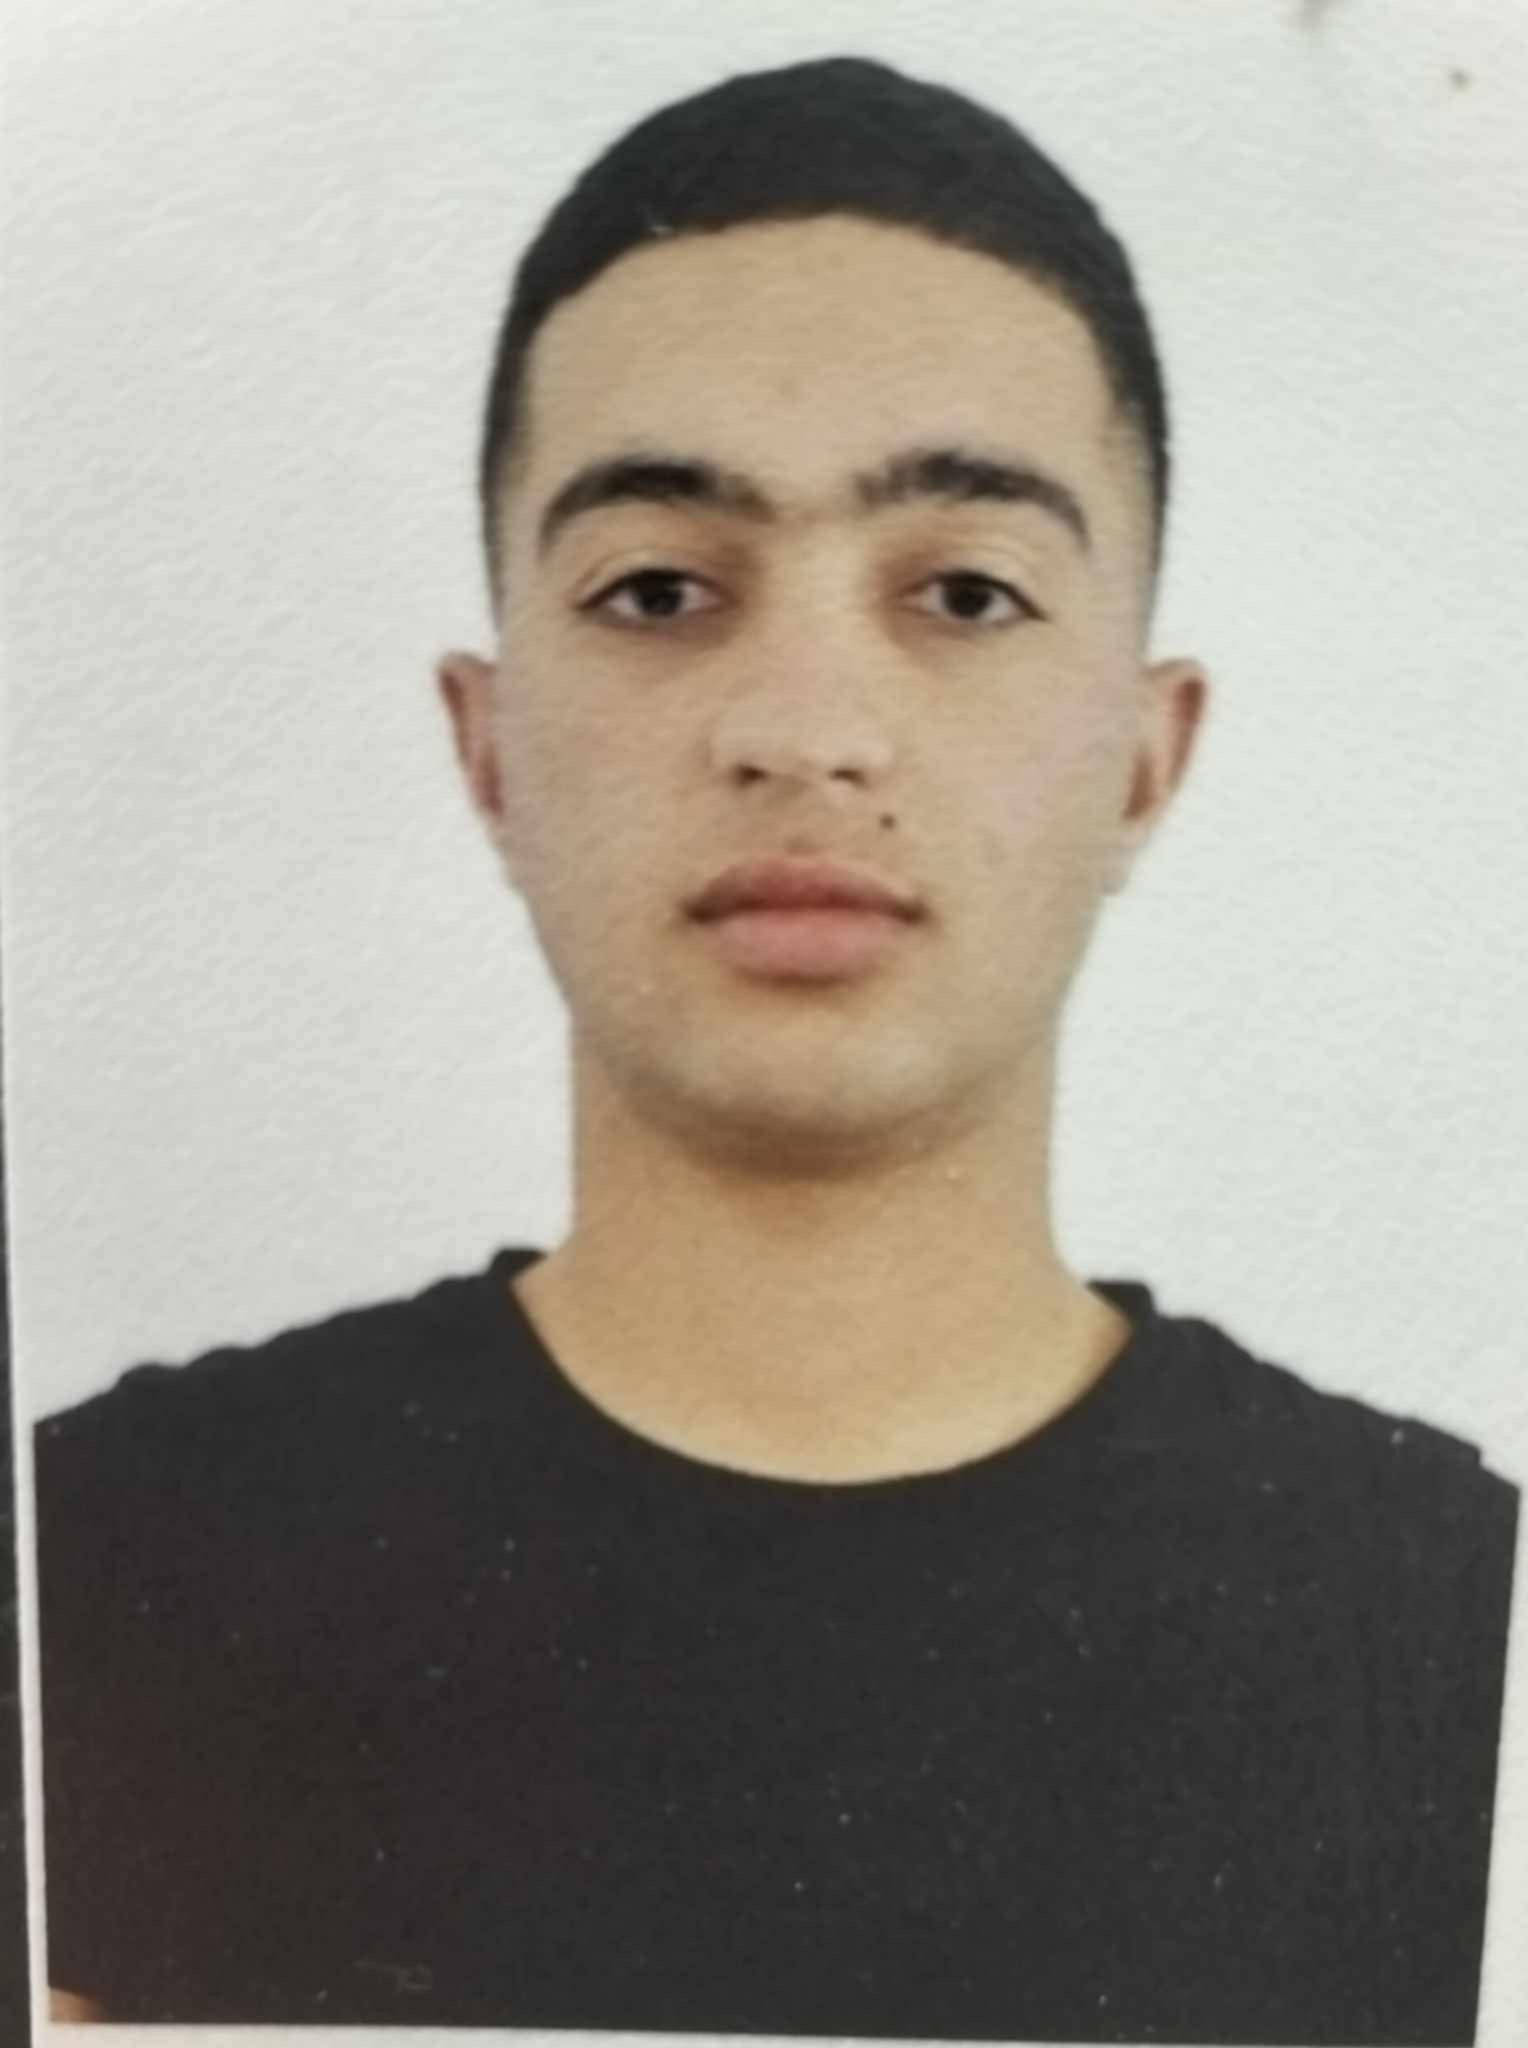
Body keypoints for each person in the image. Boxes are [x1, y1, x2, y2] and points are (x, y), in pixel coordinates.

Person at [34, 53, 1516, 2043]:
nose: (806, 727)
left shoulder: (1458, 1625)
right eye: (657, 588)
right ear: (490, 748)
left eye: (966, 592)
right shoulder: (96, 1565)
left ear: (1143, 759)